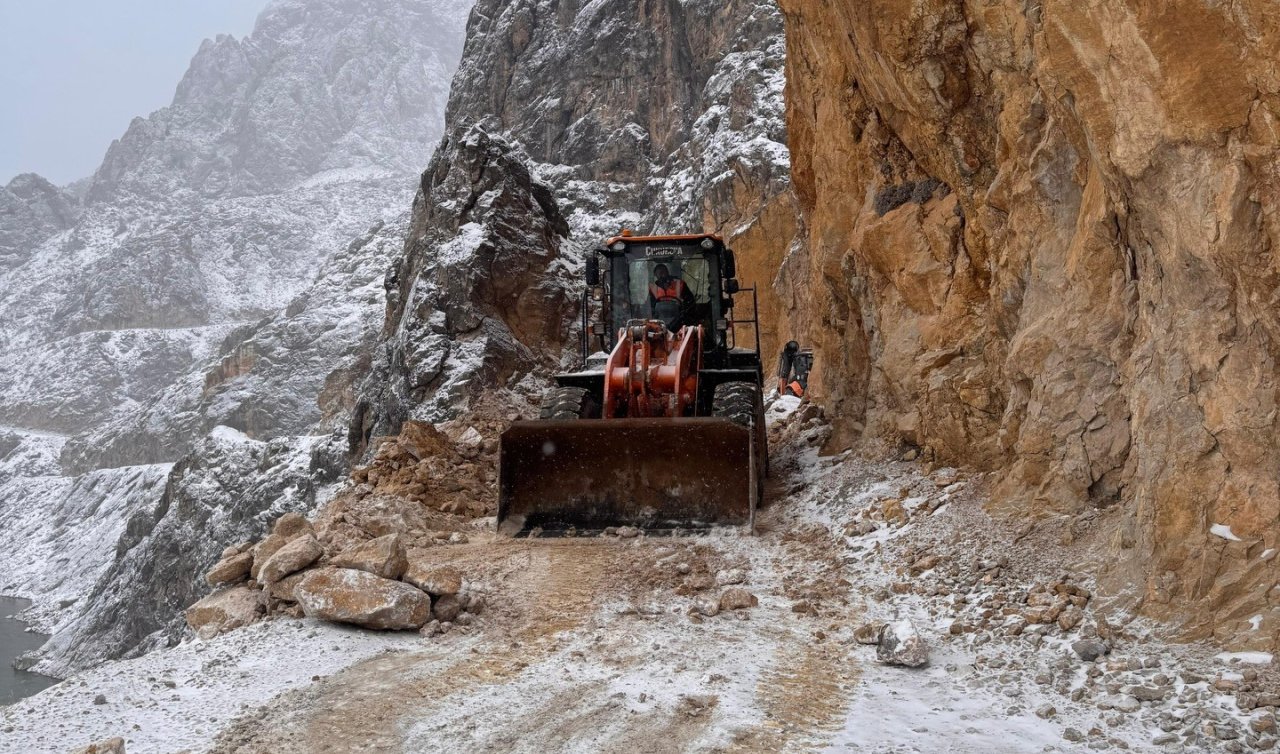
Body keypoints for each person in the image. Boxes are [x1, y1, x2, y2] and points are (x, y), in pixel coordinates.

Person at [648, 263, 695, 328]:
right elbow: (649, 307)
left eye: (664, 272)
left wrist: (683, 310)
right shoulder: (653, 289)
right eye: (660, 273)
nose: (663, 275)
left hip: (679, 321)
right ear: (656, 275)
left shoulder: (680, 284)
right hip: (659, 323)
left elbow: (690, 302)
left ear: (668, 272)